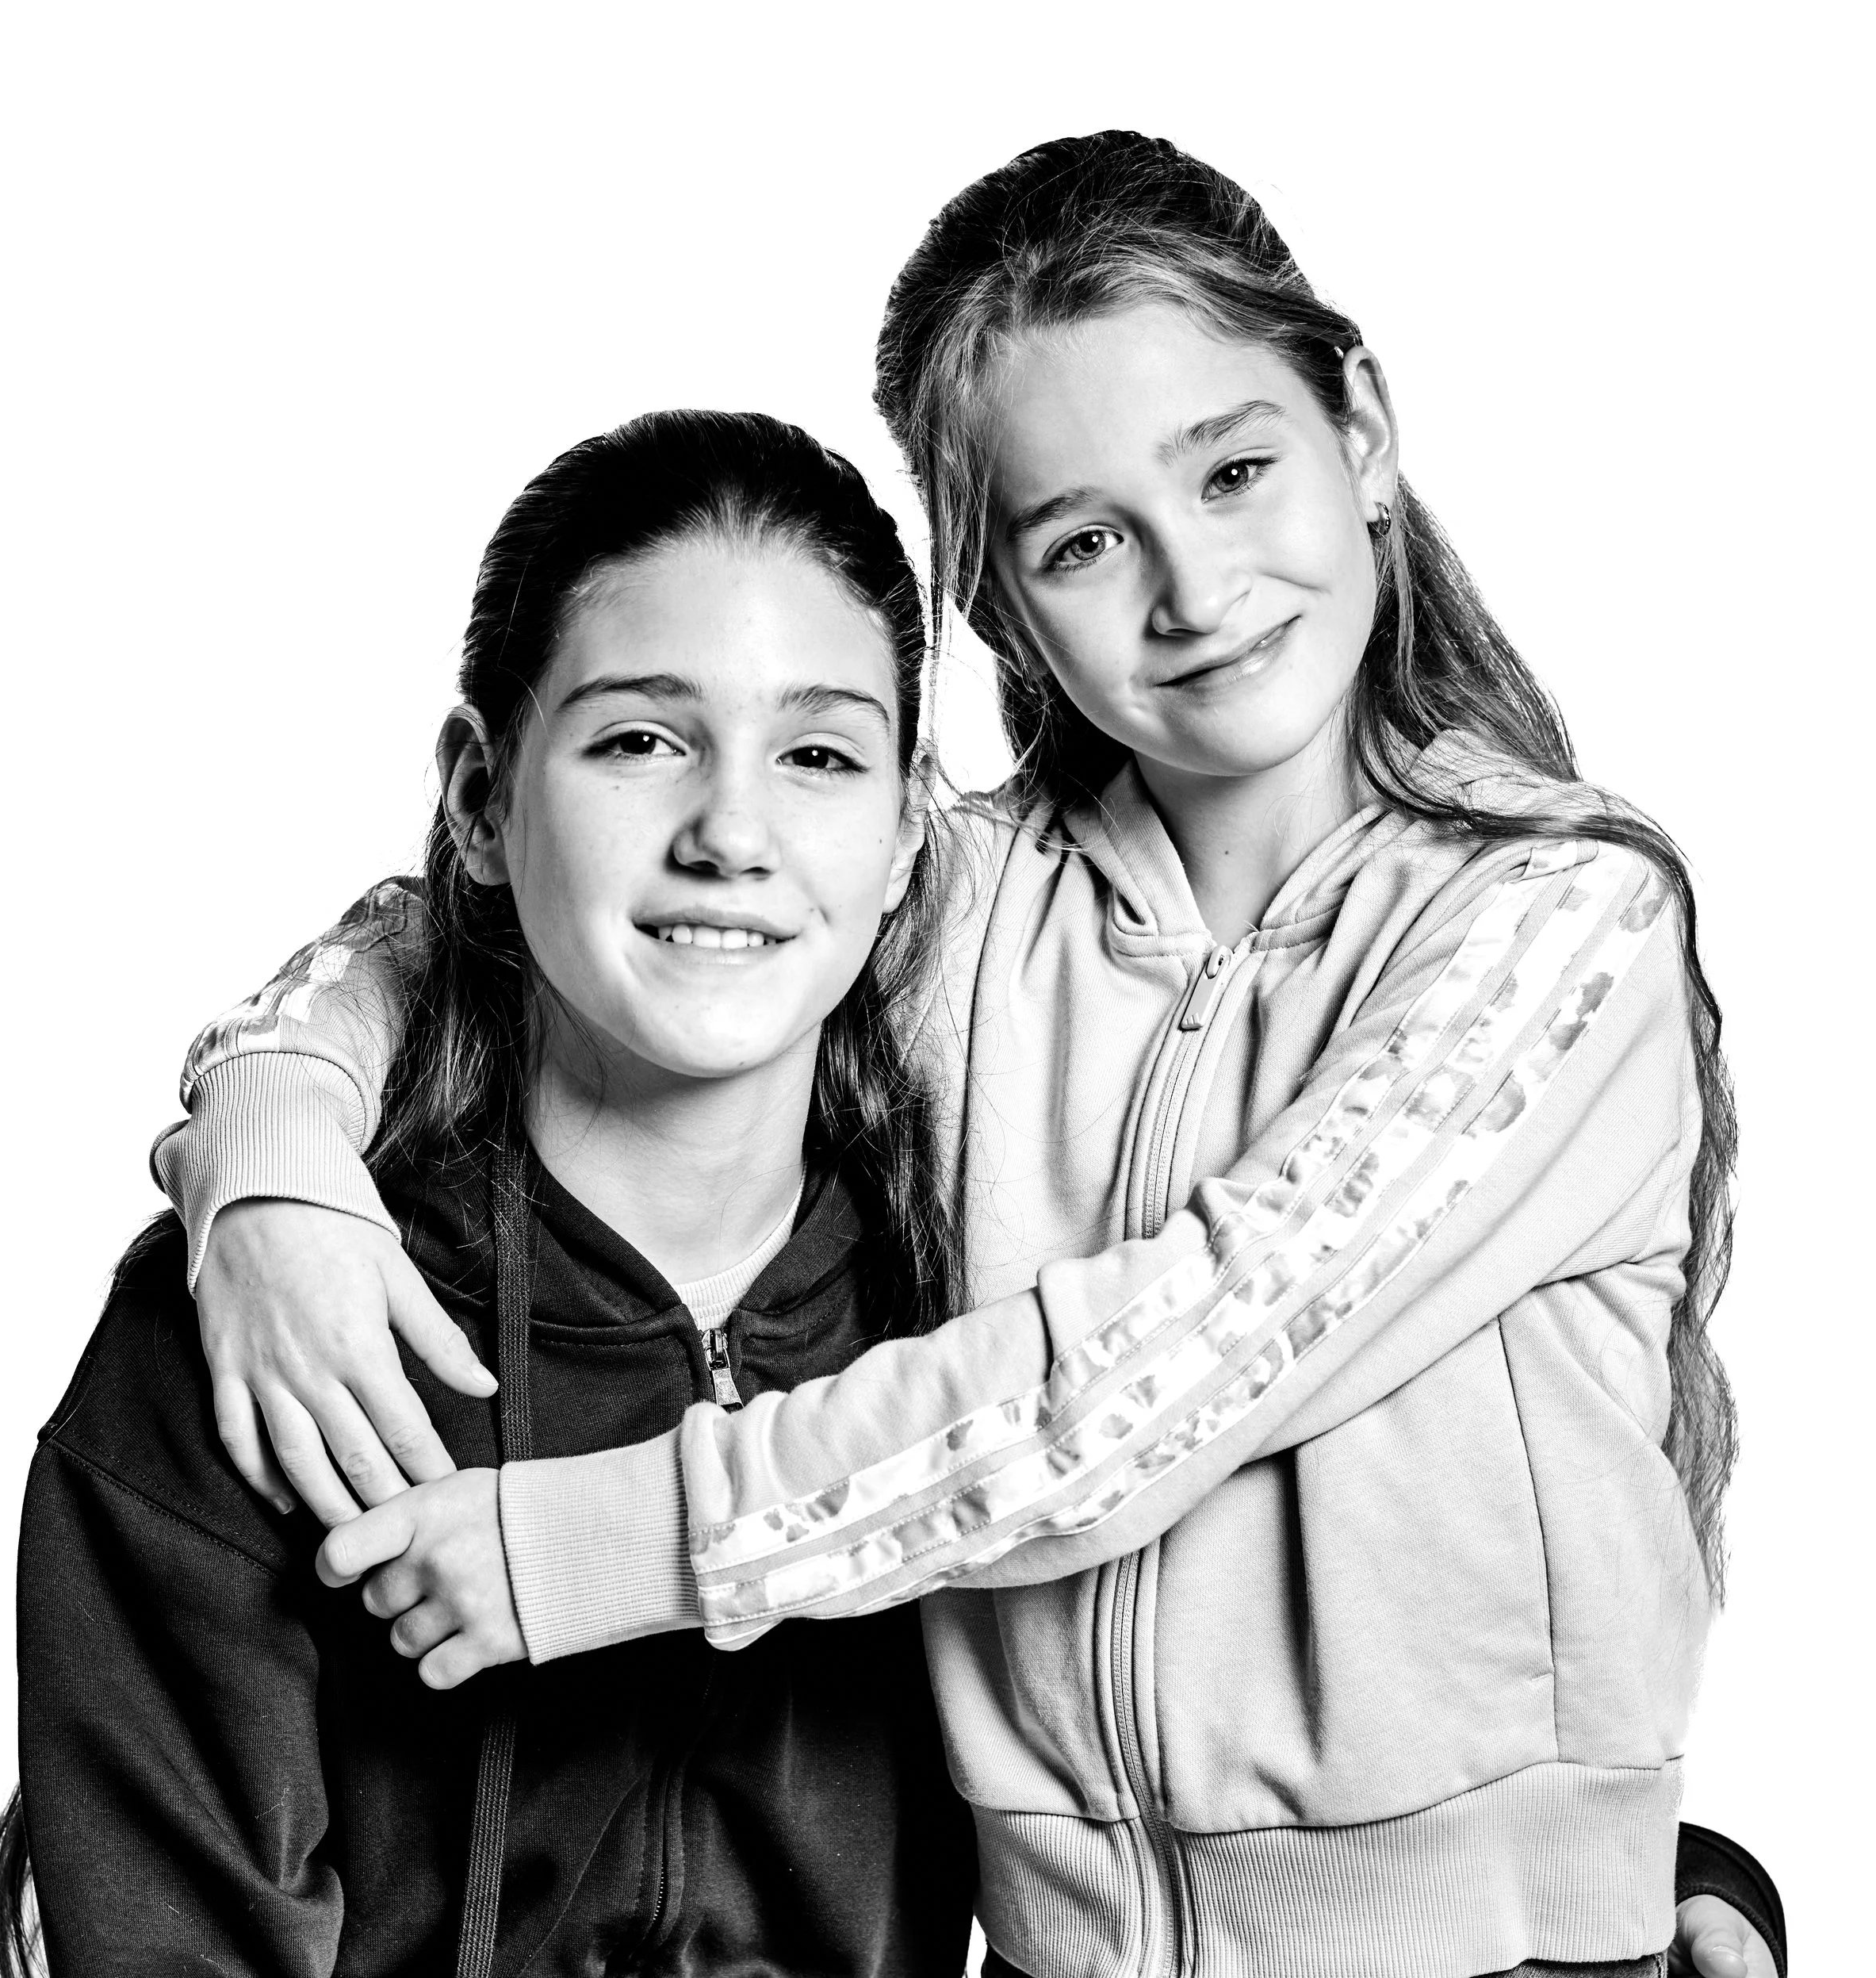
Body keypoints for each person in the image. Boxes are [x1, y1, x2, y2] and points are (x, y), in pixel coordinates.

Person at [140, 137, 1784, 1978]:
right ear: (993, 603)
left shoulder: (1552, 923)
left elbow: (1161, 1373)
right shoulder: (972, 909)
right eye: (1081, 540)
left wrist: (596, 1541)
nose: (1191, 586)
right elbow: (510, 906)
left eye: (1235, 471)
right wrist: (269, 1137)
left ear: (1366, 433)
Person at [0, 411, 981, 1977]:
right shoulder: (260, 1330)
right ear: (477, 799)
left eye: (817, 752)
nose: (731, 831)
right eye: (639, 739)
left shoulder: (973, 1312)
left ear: (908, 833)